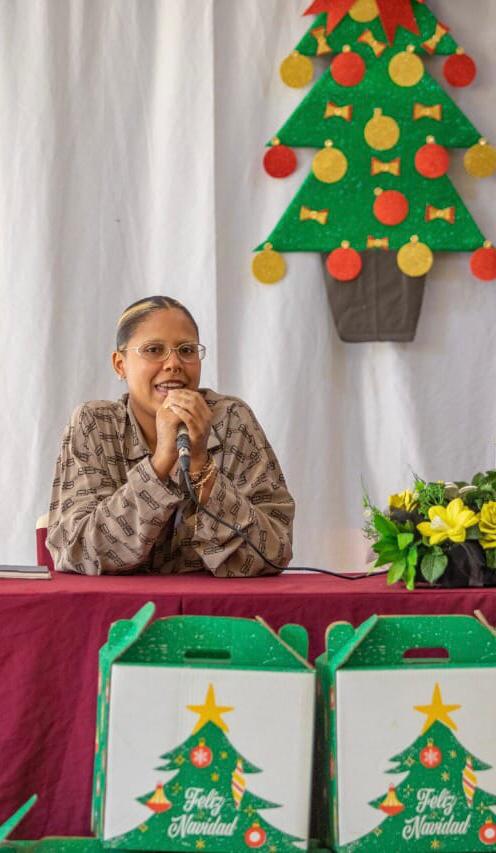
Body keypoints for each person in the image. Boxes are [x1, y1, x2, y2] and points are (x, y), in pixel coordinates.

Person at [47, 296, 294, 577]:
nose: (174, 363)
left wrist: (201, 464)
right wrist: (161, 461)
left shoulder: (231, 419)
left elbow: (274, 552)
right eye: (154, 350)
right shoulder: (94, 424)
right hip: (120, 613)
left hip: (214, 610)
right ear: (120, 364)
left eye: (186, 350)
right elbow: (76, 551)